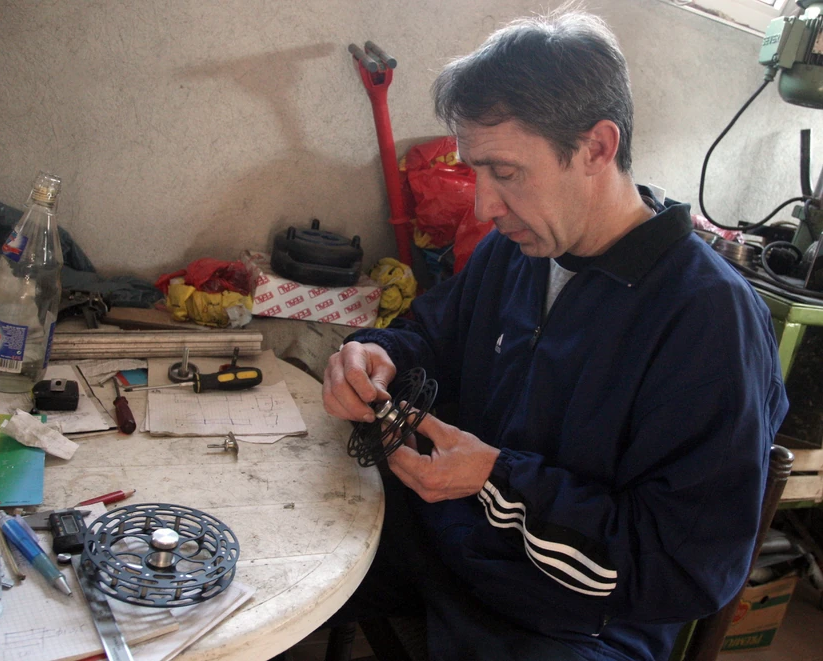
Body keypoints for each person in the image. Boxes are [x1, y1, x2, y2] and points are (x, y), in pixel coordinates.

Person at [322, 8, 788, 661]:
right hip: (454, 544)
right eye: (475, 170)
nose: (482, 205)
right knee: (273, 552)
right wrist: (377, 354)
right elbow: (433, 337)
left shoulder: (708, 319)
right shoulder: (518, 249)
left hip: (574, 622)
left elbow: (684, 568)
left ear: (597, 148)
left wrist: (497, 481)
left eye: (506, 172)